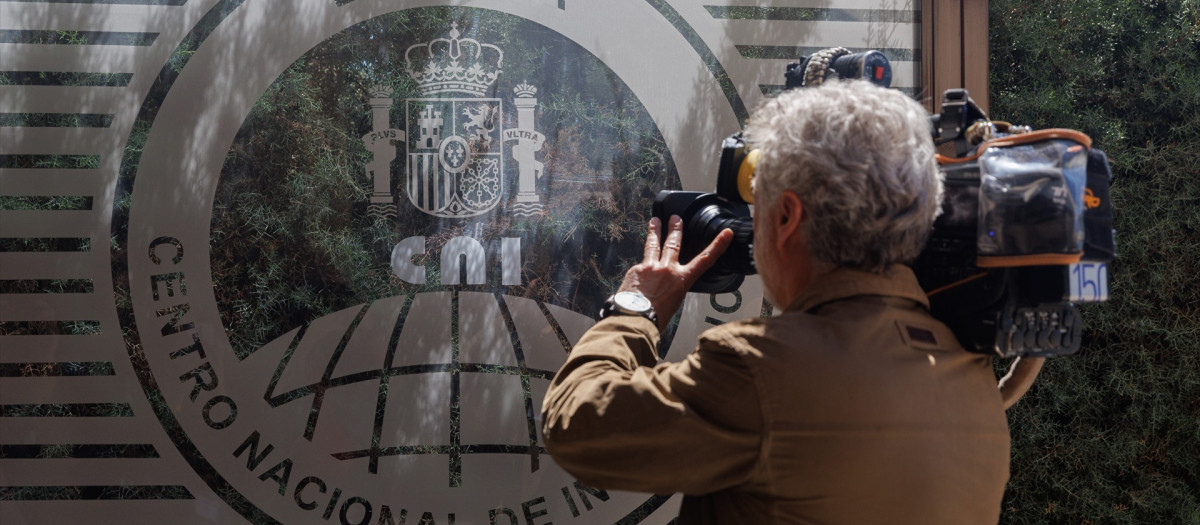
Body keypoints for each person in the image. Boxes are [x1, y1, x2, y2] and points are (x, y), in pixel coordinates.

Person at [540, 81, 1024, 523]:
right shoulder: (971, 374)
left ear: (788, 217)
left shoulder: (761, 370)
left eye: (761, 205)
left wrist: (635, 307)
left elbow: (577, 428)